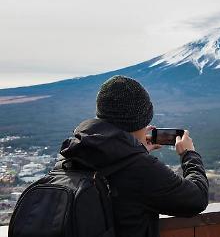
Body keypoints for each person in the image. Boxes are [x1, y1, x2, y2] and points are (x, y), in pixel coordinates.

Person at [59, 75, 209, 237]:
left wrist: (136, 150)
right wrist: (189, 154)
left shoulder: (73, 152)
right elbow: (197, 198)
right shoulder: (140, 168)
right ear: (139, 122)